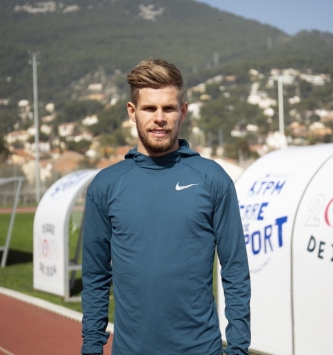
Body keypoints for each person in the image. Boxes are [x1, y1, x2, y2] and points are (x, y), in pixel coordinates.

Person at [81, 59, 251, 355]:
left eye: (168, 108)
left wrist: (237, 349)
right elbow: (95, 275)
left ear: (182, 111)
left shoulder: (213, 179)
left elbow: (235, 270)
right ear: (132, 112)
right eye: (149, 108)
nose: (159, 118)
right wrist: (91, 348)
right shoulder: (106, 186)